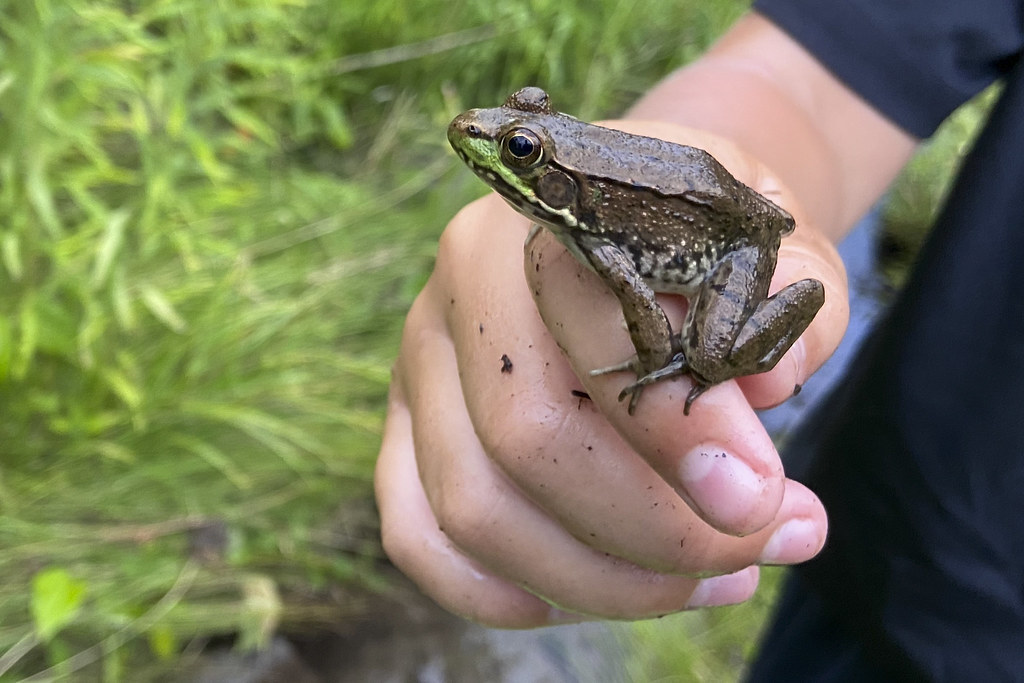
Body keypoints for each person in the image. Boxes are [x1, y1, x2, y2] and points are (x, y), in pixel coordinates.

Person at [375, 1, 1024, 679]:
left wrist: (659, 361)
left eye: (521, 151)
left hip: (732, 246)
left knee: (704, 354)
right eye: (522, 127)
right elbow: (811, 77)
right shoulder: (579, 220)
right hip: (868, 581)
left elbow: (634, 295)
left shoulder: (602, 242)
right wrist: (711, 129)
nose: (480, 134)